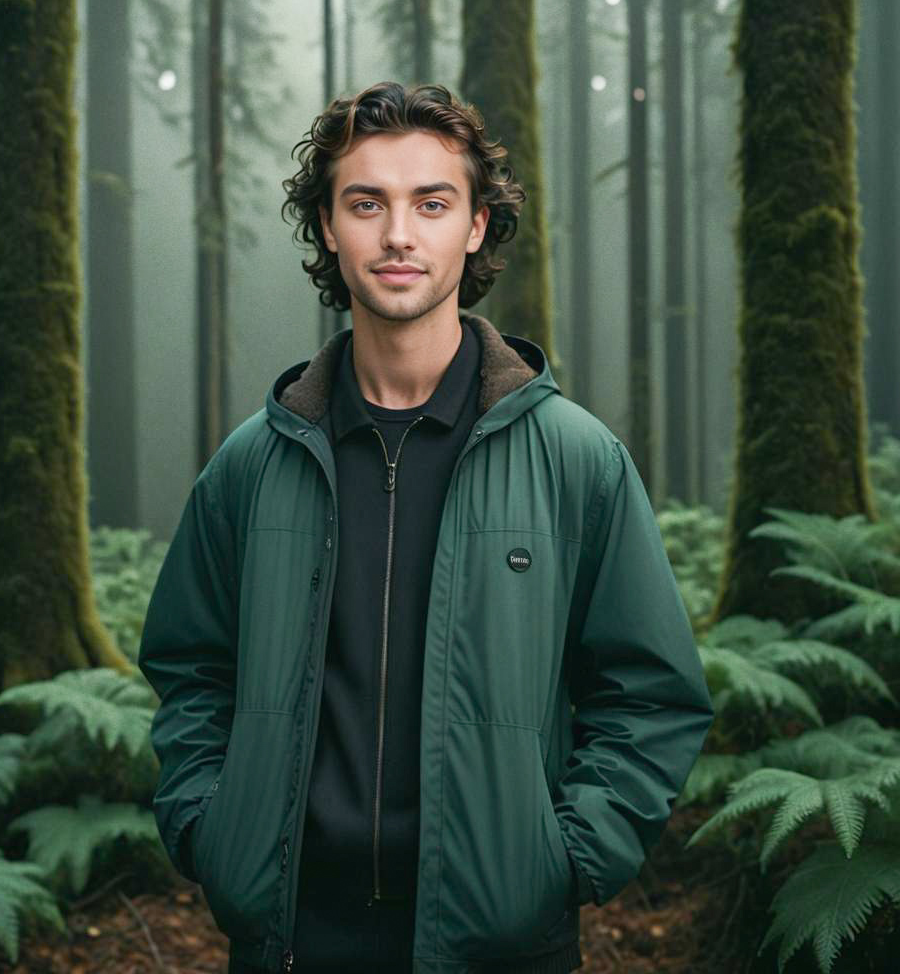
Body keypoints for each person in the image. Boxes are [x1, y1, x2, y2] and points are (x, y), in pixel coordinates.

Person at [137, 81, 714, 974]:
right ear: (328, 227)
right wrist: (213, 832)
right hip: (291, 936)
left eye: (431, 203)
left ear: (476, 226)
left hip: (500, 941)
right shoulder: (254, 465)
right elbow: (189, 668)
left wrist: (565, 863)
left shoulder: (576, 460)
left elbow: (649, 694)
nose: (398, 234)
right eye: (366, 203)